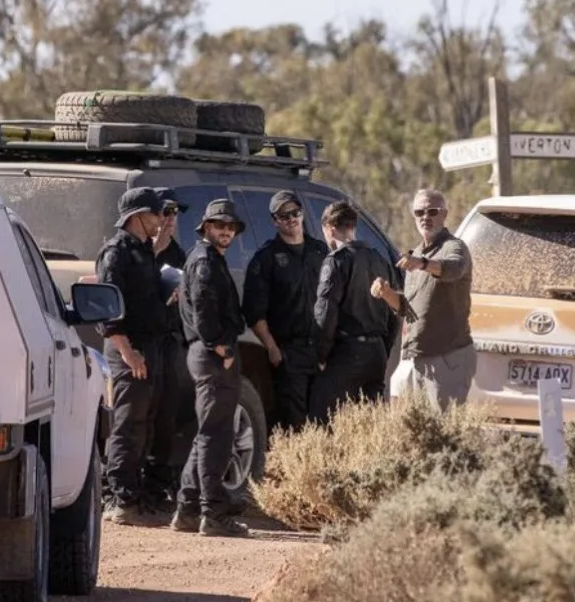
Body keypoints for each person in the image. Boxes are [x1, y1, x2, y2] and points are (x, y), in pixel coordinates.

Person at [170, 199, 251, 538]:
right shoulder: (204, 261)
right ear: (206, 227)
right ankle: (213, 514)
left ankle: (188, 510)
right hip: (212, 354)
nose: (226, 231)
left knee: (208, 433)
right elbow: (203, 307)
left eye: (231, 227)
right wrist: (222, 346)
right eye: (220, 225)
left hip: (207, 354)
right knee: (216, 436)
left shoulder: (207, 257)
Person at [95, 186, 173, 524]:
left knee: (145, 423)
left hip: (149, 346)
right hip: (128, 349)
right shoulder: (116, 253)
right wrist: (128, 353)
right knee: (128, 424)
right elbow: (107, 310)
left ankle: (135, 496)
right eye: (156, 213)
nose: (161, 219)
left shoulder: (143, 250)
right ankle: (119, 499)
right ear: (138, 216)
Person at [370, 187, 476, 409]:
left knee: (443, 425)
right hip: (415, 357)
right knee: (409, 422)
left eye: (432, 211)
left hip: (447, 356)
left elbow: (453, 268)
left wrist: (423, 264)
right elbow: (408, 308)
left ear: (444, 214)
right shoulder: (416, 253)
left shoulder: (454, 247)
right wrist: (387, 293)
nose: (425, 217)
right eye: (419, 212)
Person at [242, 189, 330, 432]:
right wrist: (272, 348)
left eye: (295, 213)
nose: (291, 219)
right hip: (289, 352)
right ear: (275, 221)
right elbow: (254, 311)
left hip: (322, 351)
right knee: (295, 422)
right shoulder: (266, 258)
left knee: (325, 420)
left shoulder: (320, 252)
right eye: (284, 215)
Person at [310, 201, 402, 421]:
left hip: (348, 353)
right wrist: (383, 349)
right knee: (370, 422)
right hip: (377, 353)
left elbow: (325, 313)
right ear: (353, 226)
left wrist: (321, 355)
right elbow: (393, 314)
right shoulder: (379, 259)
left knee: (322, 416)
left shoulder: (336, 261)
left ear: (330, 228)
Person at [142, 188, 189, 509]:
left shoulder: (179, 254)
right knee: (138, 416)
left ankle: (158, 484)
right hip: (141, 344)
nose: (171, 219)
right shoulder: (137, 250)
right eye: (165, 212)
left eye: (175, 213)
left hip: (171, 342)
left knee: (167, 416)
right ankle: (131, 486)